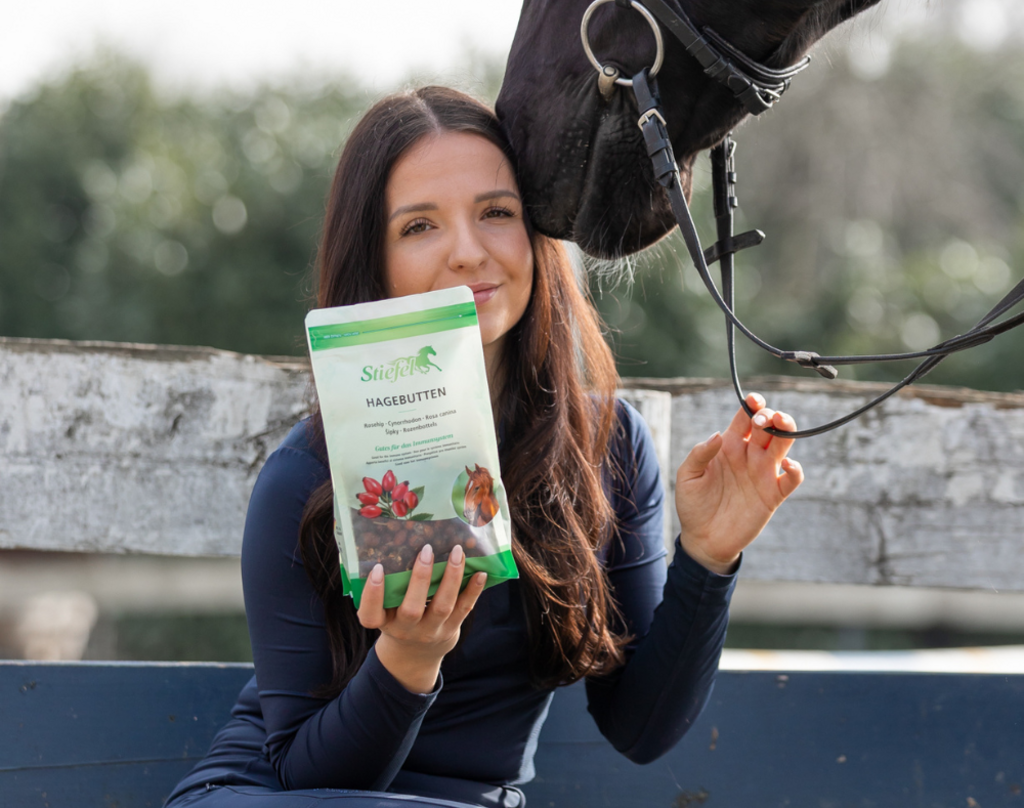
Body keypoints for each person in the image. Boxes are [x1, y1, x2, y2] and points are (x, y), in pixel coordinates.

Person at [166, 87, 802, 808]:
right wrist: (407, 659)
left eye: (497, 212)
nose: (469, 252)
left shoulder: (607, 445)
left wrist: (708, 558)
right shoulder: (308, 476)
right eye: (419, 226)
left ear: (537, 233)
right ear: (373, 259)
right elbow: (305, 782)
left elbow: (640, 727)